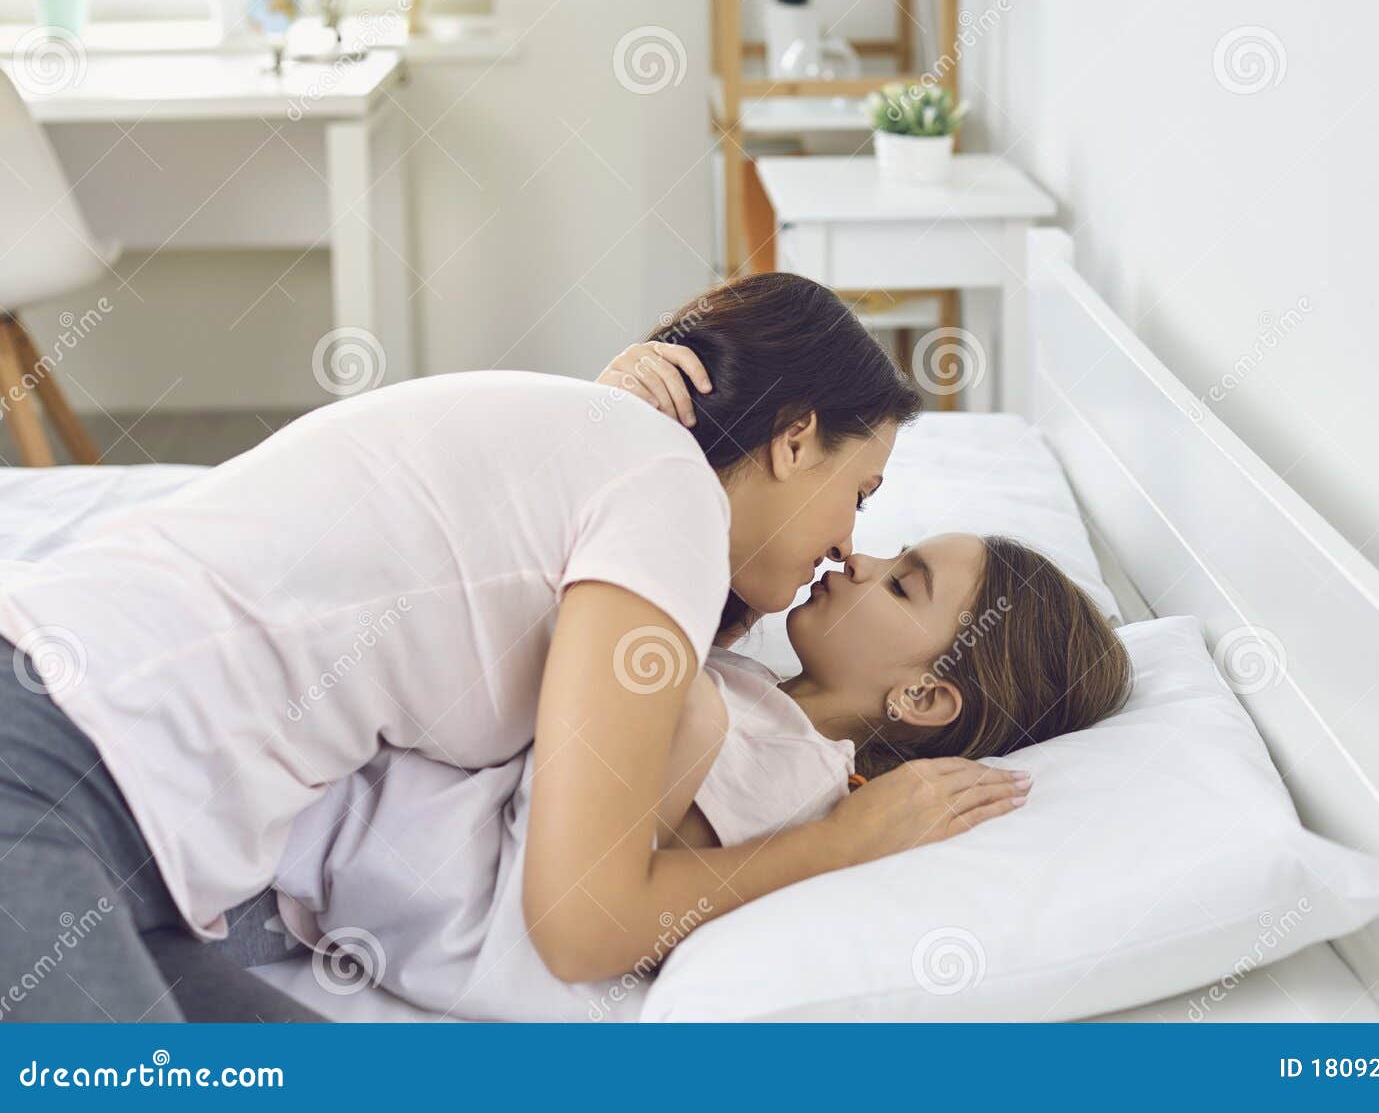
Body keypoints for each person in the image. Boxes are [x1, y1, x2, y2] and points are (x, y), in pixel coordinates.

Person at [0, 272, 1030, 1021]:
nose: (848, 542)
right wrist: (840, 844)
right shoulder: (662, 494)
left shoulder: (626, 476)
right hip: (50, 760)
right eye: (859, 493)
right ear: (794, 435)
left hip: (151, 857)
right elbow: (579, 927)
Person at [262, 534, 1132, 1019]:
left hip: (333, 858)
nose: (857, 559)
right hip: (325, 821)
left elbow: (626, 881)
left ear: (925, 693)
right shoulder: (753, 686)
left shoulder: (789, 767)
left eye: (902, 585)